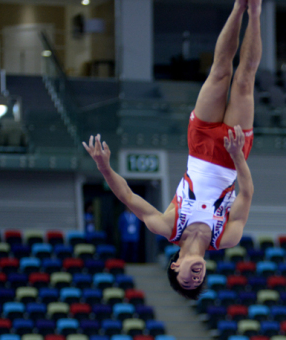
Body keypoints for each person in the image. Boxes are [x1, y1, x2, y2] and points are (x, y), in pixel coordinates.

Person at [83, 0, 260, 300]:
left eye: (186, 280)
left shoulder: (167, 226)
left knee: (219, 72)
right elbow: (246, 193)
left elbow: (127, 196)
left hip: (201, 145)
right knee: (244, 82)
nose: (194, 277)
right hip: (233, 156)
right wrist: (237, 156)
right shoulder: (227, 237)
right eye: (198, 281)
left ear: (175, 264)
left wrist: (104, 168)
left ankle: (237, 7)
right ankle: (254, 12)